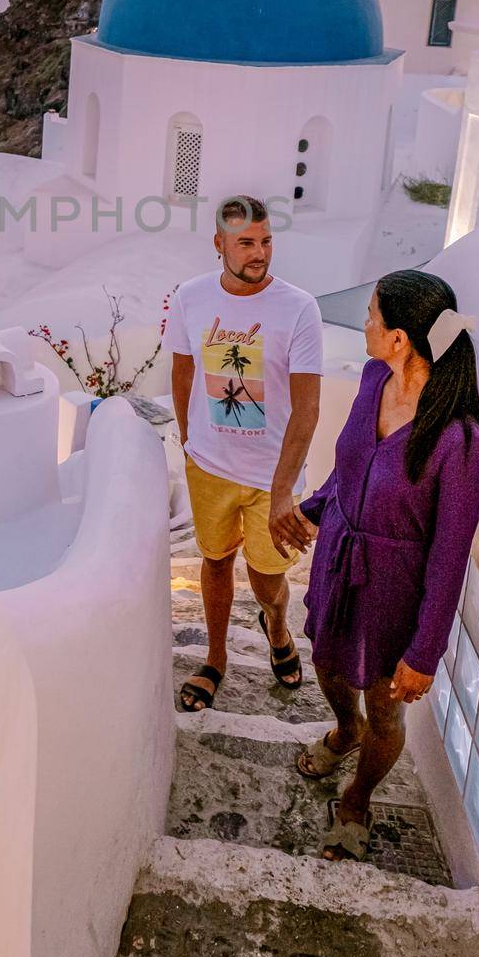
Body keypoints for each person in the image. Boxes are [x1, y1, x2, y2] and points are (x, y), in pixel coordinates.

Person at [295, 270, 479, 862]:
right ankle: (344, 729)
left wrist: (424, 652)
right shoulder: (371, 377)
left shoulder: (462, 441)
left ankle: (357, 798)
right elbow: (349, 464)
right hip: (339, 559)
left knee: (385, 704)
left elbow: (450, 553)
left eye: (372, 316)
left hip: (395, 590)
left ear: (400, 338)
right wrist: (313, 510)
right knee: (329, 665)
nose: (364, 325)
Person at [165, 195, 323, 710]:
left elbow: (306, 410)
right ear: (220, 245)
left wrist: (283, 492)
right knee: (214, 563)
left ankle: (277, 628)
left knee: (269, 577)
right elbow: (183, 369)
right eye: (246, 243)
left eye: (266, 241)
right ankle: (214, 659)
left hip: (270, 477)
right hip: (208, 466)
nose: (260, 254)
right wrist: (191, 441)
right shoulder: (190, 298)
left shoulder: (298, 308)